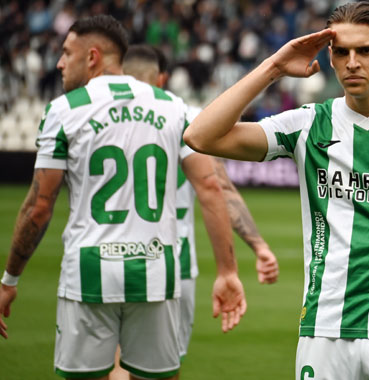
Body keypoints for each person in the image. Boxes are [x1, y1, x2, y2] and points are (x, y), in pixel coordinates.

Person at [183, 2, 369, 380]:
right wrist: (275, 67)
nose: (352, 62)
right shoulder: (309, 124)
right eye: (341, 52)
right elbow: (199, 135)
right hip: (324, 332)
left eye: (365, 50)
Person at [0, 16, 246, 380]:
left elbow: (39, 206)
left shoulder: (63, 110)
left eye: (67, 53)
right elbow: (211, 188)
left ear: (93, 57)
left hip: (88, 274)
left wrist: (9, 281)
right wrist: (227, 271)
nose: (59, 63)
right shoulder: (173, 107)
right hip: (157, 271)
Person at [122, 45, 279, 361]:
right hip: (171, 262)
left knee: (112, 361)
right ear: (163, 77)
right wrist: (257, 247)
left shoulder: (93, 116)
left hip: (105, 256)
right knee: (162, 368)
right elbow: (217, 187)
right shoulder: (187, 117)